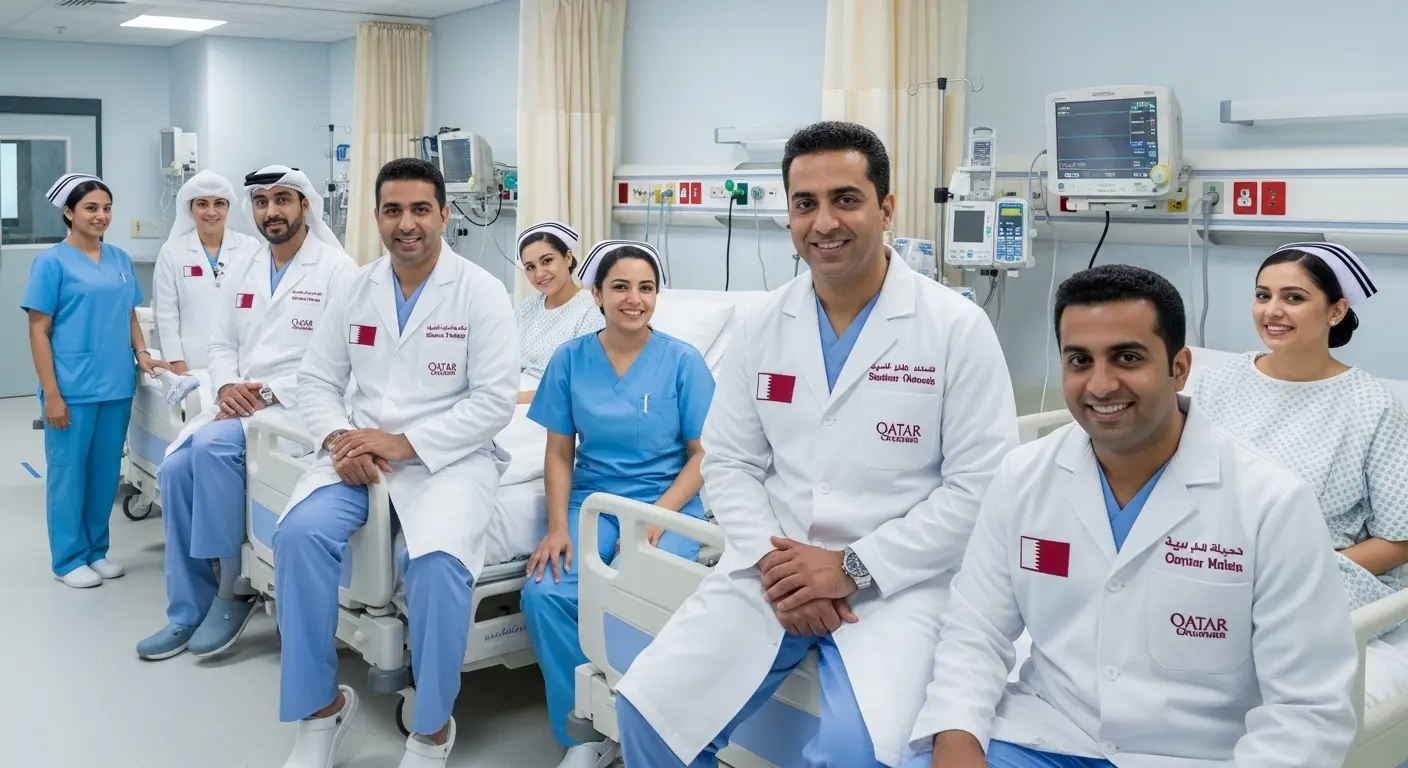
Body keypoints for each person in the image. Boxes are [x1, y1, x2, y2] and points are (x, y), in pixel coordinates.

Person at [613, 120, 1020, 767]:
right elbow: (732, 460)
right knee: (646, 713)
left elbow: (980, 490)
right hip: (770, 570)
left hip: (900, 587)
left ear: (886, 208)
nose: (823, 221)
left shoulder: (955, 329)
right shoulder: (762, 322)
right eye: (805, 204)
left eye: (845, 199)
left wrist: (852, 567)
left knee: (861, 755)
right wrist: (780, 566)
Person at [904, 264, 1359, 768]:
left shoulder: (1271, 503)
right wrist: (956, 740)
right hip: (1048, 737)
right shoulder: (1024, 475)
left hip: (1195, 755)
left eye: (1127, 357)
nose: (1100, 385)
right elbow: (976, 630)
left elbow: (1307, 710)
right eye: (1080, 360)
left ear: (1180, 367)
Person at [272, 157, 518, 768]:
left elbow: (493, 403)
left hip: (448, 460)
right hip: (356, 451)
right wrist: (339, 440)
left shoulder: (482, 292)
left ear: (443, 214)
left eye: (419, 209)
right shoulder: (355, 287)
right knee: (299, 536)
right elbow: (315, 380)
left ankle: (432, 729)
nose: (406, 224)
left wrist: (400, 444)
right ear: (377, 218)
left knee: (437, 568)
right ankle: (319, 709)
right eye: (392, 210)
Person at [135, 165, 357, 660]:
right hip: (236, 398)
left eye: (282, 200)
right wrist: (230, 385)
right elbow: (221, 341)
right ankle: (185, 610)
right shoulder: (246, 265)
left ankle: (234, 587)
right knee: (173, 470)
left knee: (212, 447)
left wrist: (270, 393)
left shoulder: (337, 269)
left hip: (298, 407)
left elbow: (340, 357)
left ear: (305, 206)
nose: (271, 211)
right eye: (262, 202)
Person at [521, 239, 716, 768]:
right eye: (621, 287)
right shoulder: (570, 360)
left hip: (666, 504)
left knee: (645, 594)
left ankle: (644, 720)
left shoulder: (682, 361)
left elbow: (702, 456)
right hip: (594, 503)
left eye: (647, 288)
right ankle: (585, 731)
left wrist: (661, 518)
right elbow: (559, 452)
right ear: (597, 294)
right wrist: (558, 526)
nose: (635, 299)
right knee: (545, 596)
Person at [1188, 243, 1408, 629]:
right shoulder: (1217, 382)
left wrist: (1296, 572)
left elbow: (1400, 539)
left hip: (1321, 574)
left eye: (1293, 297)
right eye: (1263, 295)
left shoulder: (1372, 406)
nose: (1272, 311)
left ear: (1336, 311)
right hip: (1208, 557)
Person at [22, 173, 170, 588]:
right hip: (70, 387)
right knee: (69, 473)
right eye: (90, 208)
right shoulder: (51, 263)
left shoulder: (119, 259)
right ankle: (68, 559)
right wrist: (51, 394)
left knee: (105, 473)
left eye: (106, 207)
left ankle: (96, 550)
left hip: (117, 384)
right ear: (69, 213)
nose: (101, 215)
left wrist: (144, 356)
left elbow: (129, 316)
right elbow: (38, 331)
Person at [151, 169, 261, 373]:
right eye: (202, 204)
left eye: (219, 203)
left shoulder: (250, 248)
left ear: (228, 208)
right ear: (190, 209)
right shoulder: (172, 252)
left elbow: (258, 307)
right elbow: (165, 315)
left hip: (241, 363)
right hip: (190, 364)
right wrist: (177, 365)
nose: (211, 212)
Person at [515, 221, 605, 395]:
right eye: (530, 267)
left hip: (553, 402)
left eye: (547, 261)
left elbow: (581, 383)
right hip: (514, 394)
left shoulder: (591, 310)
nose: (540, 273)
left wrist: (514, 400)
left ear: (568, 258)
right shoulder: (527, 308)